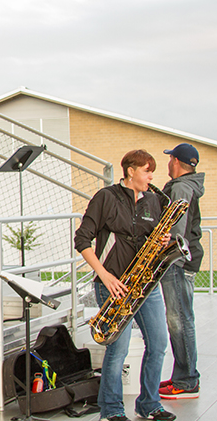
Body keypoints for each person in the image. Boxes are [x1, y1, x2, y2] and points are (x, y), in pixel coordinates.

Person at [75, 150, 175, 421]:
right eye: (146, 170)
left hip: (145, 284)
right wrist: (104, 275)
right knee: (118, 347)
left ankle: (149, 404)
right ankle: (111, 410)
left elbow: (153, 239)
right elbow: (82, 239)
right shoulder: (106, 197)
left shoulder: (153, 201)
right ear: (130, 171)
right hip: (114, 285)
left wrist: (164, 242)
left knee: (158, 343)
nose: (151, 176)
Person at [159, 143, 204, 399]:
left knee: (179, 320)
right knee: (182, 318)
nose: (168, 164)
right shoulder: (188, 185)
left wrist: (170, 245)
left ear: (175, 161)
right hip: (186, 260)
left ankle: (186, 381)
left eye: (169, 159)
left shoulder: (181, 187)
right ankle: (183, 376)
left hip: (178, 262)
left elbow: (178, 225)